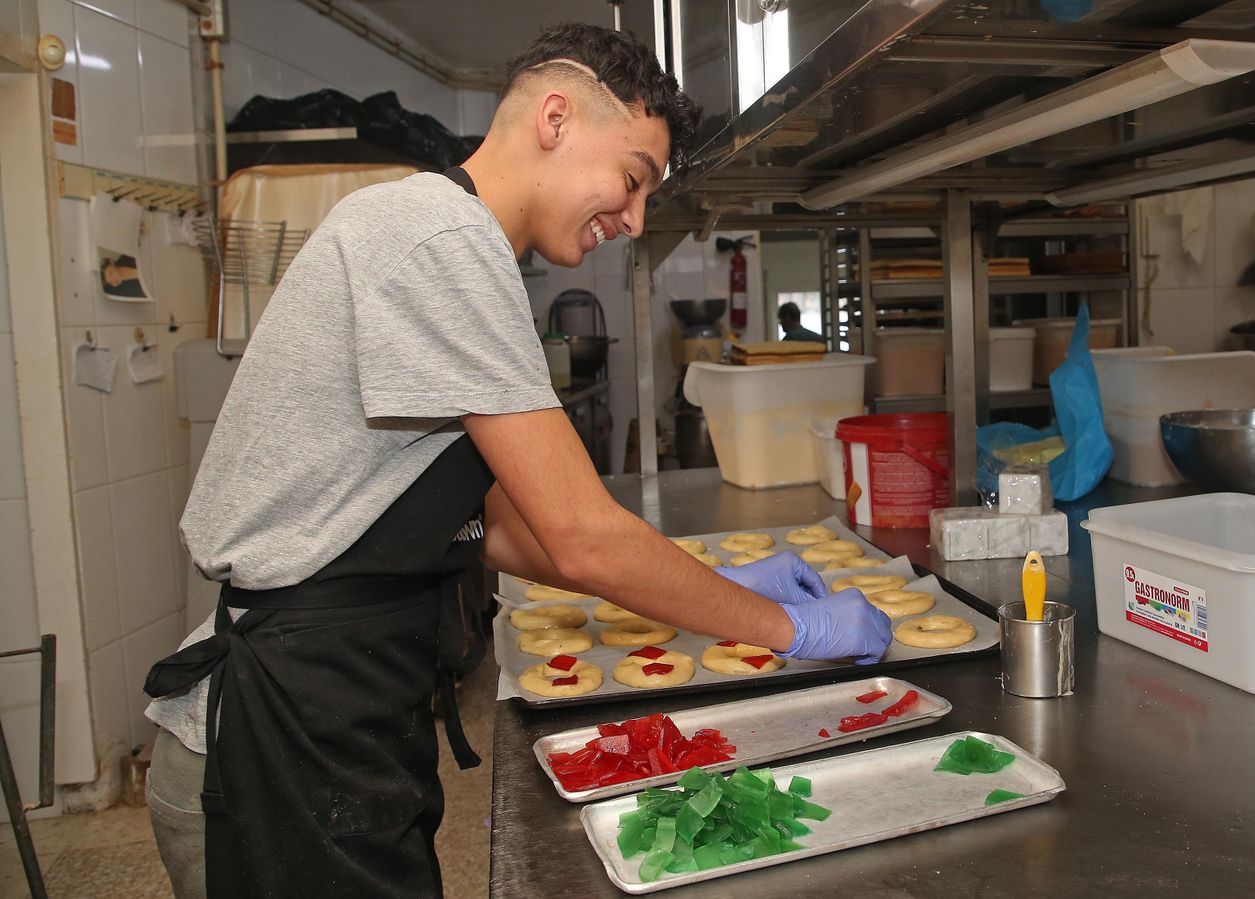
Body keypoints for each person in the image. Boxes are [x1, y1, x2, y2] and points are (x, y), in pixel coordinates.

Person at [141, 23, 890, 899]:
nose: (635, 217)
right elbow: (579, 536)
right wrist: (789, 630)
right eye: (634, 178)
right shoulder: (439, 239)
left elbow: (497, 527)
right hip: (277, 740)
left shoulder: (450, 239)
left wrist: (713, 581)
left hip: (337, 715)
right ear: (557, 118)